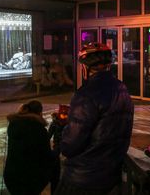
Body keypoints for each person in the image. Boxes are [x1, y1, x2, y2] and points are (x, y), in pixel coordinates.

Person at [55, 42, 134, 195]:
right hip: (110, 174)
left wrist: (64, 128)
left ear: (85, 68)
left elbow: (70, 146)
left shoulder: (86, 94)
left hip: (83, 177)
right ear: (108, 66)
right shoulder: (122, 90)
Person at [4, 100, 55, 195]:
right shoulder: (39, 130)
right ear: (40, 113)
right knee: (55, 164)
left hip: (11, 177)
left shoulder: (13, 125)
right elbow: (46, 155)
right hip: (30, 180)